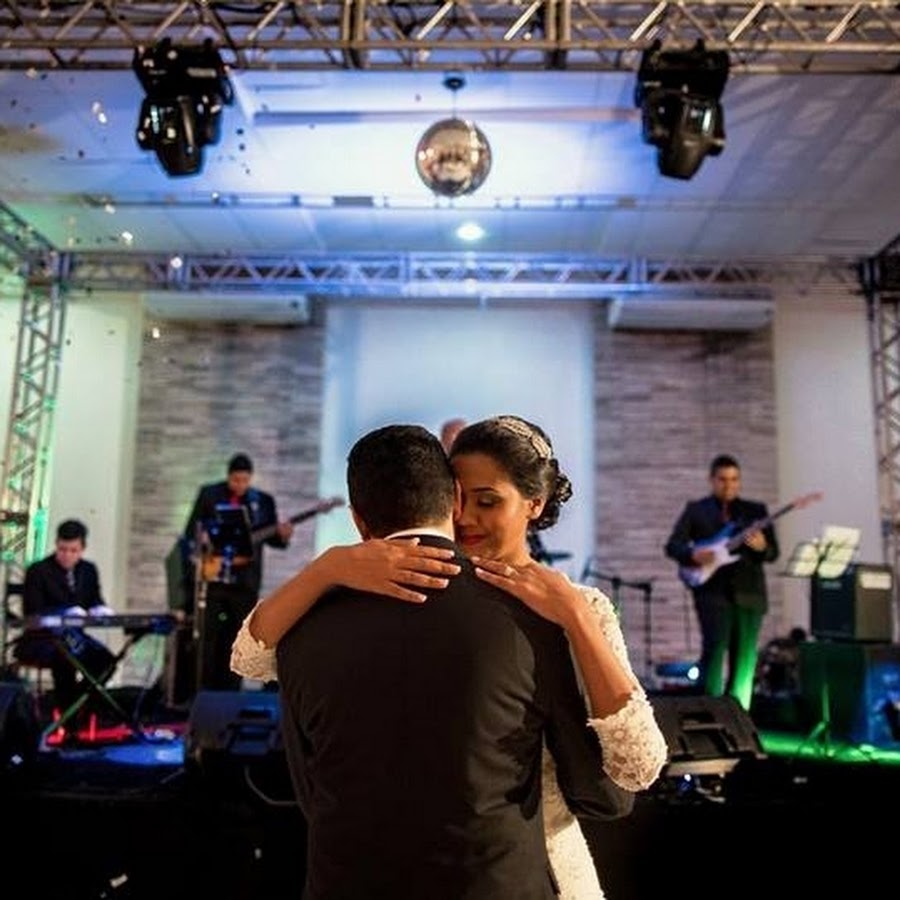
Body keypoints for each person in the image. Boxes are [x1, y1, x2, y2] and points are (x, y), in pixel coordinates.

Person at [232, 415, 668, 898]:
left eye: (488, 501)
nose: (466, 518)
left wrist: (576, 618)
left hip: (535, 863)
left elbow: (637, 768)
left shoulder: (574, 609)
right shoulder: (404, 590)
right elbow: (251, 656)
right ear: (449, 496)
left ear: (535, 504)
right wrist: (327, 567)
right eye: (463, 499)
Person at [664, 453, 780, 711]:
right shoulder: (696, 510)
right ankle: (709, 715)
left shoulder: (755, 511)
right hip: (712, 596)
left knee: (745, 661)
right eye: (723, 479)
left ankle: (739, 717)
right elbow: (672, 545)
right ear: (712, 480)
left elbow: (773, 554)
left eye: (734, 479)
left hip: (750, 596)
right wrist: (692, 554)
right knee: (713, 655)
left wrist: (762, 547)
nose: (729, 485)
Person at [183, 452, 294, 691]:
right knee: (208, 639)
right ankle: (202, 693)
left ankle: (231, 694)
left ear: (250, 478)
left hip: (244, 583)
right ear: (228, 476)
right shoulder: (210, 495)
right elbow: (191, 531)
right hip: (213, 580)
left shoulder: (262, 501)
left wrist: (284, 536)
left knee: (237, 640)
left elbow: (274, 539)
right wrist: (203, 540)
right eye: (235, 480)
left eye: (244, 480)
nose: (240, 485)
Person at [14, 518, 117, 732]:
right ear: (56, 545)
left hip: (74, 638)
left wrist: (99, 609)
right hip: (42, 639)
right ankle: (70, 725)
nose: (67, 555)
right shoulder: (38, 571)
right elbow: (32, 612)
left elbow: (94, 600)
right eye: (62, 549)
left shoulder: (88, 570)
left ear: (82, 549)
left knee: (105, 661)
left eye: (73, 550)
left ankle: (76, 708)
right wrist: (64, 612)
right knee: (66, 660)